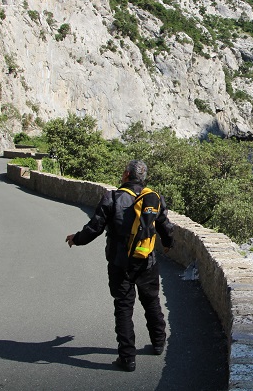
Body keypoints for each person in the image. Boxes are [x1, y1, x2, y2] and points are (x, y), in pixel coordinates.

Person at [65, 159, 174, 372]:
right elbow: (165, 226)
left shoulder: (113, 197)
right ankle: (159, 342)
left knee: (123, 307)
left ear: (126, 175)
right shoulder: (153, 198)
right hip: (146, 261)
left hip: (119, 263)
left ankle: (127, 358)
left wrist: (76, 239)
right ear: (143, 178)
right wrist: (168, 245)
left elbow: (95, 227)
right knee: (151, 301)